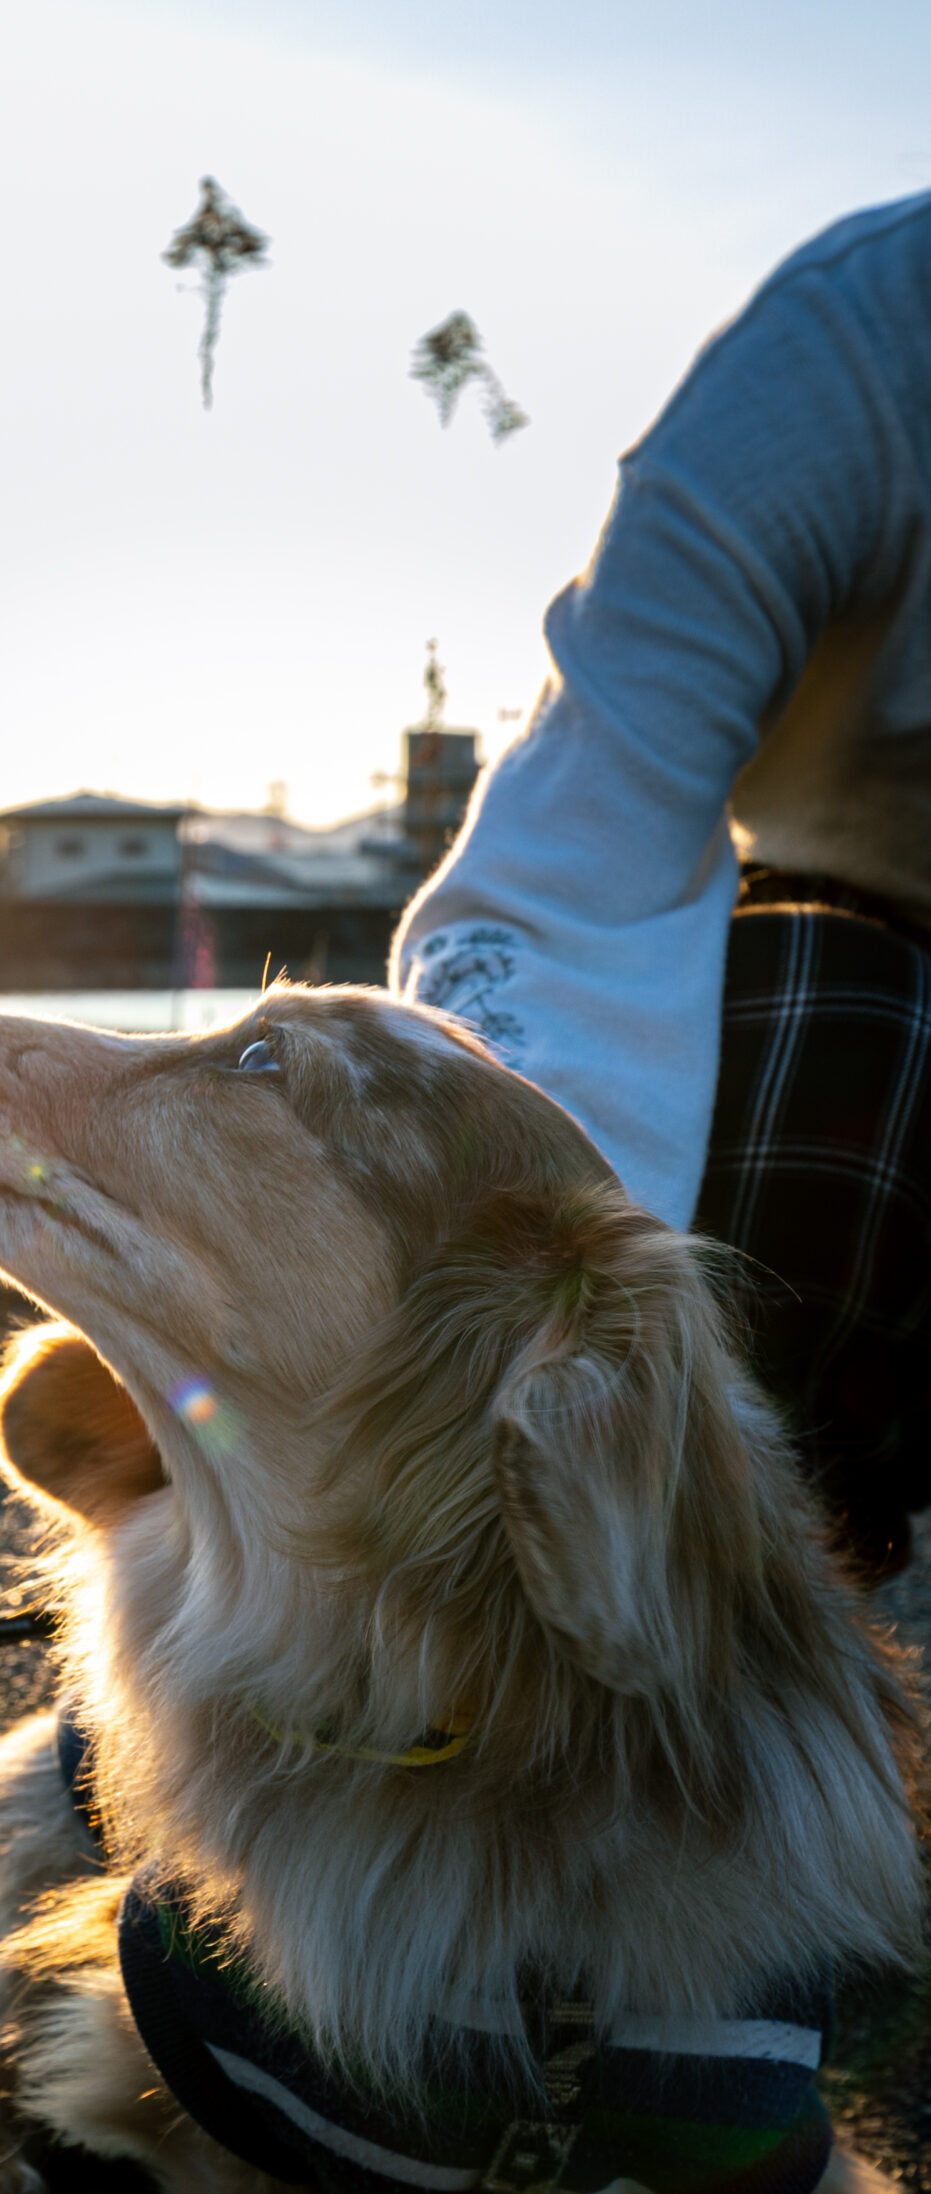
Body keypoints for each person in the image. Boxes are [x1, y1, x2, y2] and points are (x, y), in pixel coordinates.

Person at [393, 189, 931, 1578]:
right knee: (825, 1001)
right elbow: (551, 877)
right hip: (881, 1014)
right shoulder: (853, 353)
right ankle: (734, 1585)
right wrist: (534, 1352)